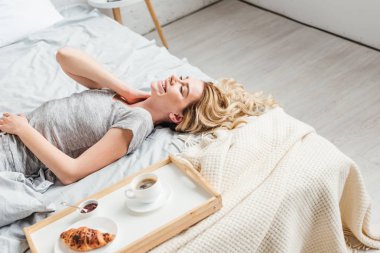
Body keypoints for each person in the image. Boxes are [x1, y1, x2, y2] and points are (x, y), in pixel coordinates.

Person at [0, 47, 276, 187]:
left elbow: (72, 173)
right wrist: (123, 89)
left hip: (10, 155)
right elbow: (65, 56)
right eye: (182, 77)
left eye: (181, 88)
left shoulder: (138, 123)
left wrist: (23, 130)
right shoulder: (132, 98)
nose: (174, 78)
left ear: (176, 117)